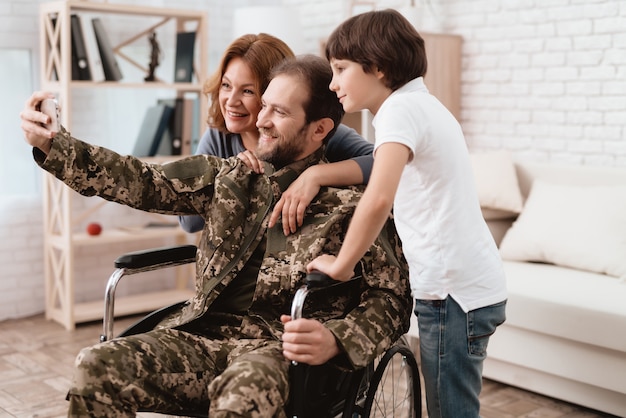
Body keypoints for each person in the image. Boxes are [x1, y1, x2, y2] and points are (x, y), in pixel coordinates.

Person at [20, 54, 411, 418]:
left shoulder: (350, 205)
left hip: (278, 355)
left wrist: (338, 339)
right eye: (265, 106)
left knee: (241, 398)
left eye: (279, 111)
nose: (260, 121)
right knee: (97, 365)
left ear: (319, 130)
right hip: (199, 337)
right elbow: (141, 179)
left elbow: (391, 295)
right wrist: (56, 144)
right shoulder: (228, 177)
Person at [306, 9, 507, 418]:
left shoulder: (399, 112)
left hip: (452, 294)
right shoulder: (422, 105)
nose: (332, 82)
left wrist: (342, 264)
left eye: (341, 68)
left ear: (377, 66)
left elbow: (379, 197)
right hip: (467, 287)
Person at [180, 33, 373, 235]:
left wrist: (314, 176)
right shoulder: (218, 137)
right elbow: (189, 222)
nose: (230, 101)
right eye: (226, 85)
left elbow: (383, 162)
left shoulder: (313, 132)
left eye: (247, 91)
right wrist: (232, 176)